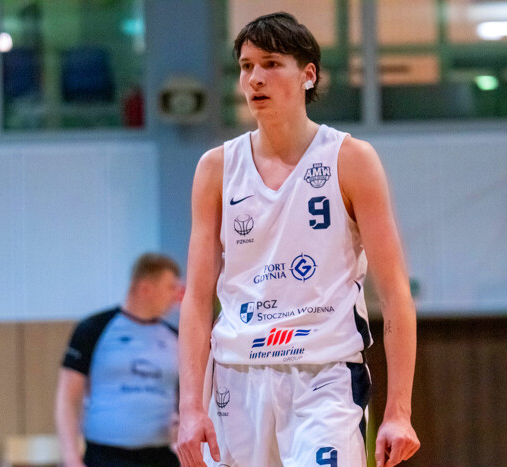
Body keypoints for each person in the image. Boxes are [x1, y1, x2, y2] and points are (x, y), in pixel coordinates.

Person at [176, 12, 420, 467]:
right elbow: (196, 299)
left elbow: (395, 292)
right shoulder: (215, 168)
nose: (255, 78)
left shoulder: (351, 159)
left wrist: (399, 412)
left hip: (324, 376)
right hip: (235, 380)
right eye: (246, 66)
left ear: (308, 75)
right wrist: (190, 407)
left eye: (271, 64)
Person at [56, 253, 182, 467]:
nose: (176, 295)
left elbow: (186, 396)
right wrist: (71, 456)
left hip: (161, 456)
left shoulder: (175, 337)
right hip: (105, 457)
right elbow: (68, 397)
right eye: (170, 287)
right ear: (145, 288)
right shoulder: (94, 329)